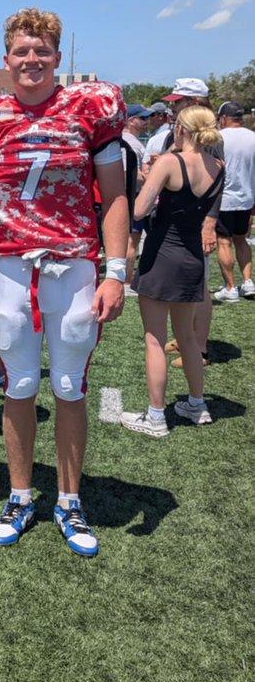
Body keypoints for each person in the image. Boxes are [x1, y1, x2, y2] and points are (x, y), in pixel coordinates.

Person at [0, 7, 128, 557]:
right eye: (21, 51)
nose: (31, 60)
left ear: (58, 58)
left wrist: (116, 271)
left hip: (74, 267)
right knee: (18, 386)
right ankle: (19, 493)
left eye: (42, 51)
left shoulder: (90, 109)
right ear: (6, 59)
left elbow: (116, 196)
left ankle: (69, 498)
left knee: (68, 388)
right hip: (11, 267)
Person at [121, 106, 224, 437]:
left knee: (154, 339)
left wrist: (146, 181)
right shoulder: (218, 166)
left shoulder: (169, 162)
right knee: (189, 338)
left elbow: (139, 209)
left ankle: (155, 415)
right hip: (192, 256)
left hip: (162, 255)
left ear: (179, 128)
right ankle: (197, 404)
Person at [213, 101, 255, 301]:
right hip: (247, 197)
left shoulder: (218, 137)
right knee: (242, 239)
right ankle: (248, 282)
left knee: (224, 241)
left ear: (223, 118)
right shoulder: (252, 137)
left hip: (224, 198)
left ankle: (230, 287)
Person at [122, 104, 153, 291]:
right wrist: (152, 177)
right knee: (131, 240)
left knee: (131, 239)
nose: (147, 122)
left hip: (130, 196)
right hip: (131, 197)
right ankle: (126, 280)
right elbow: (128, 173)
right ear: (130, 120)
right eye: (143, 118)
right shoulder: (130, 142)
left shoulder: (132, 141)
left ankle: (126, 278)